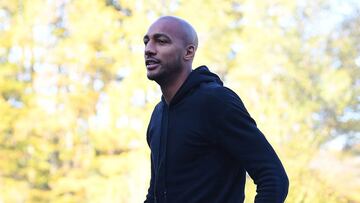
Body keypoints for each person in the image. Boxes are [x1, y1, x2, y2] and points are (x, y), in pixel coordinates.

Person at [143, 16, 289, 203]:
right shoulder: (158, 115)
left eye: (161, 41)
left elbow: (273, 178)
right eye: (146, 42)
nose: (149, 49)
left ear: (189, 52)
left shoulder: (216, 102)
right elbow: (155, 194)